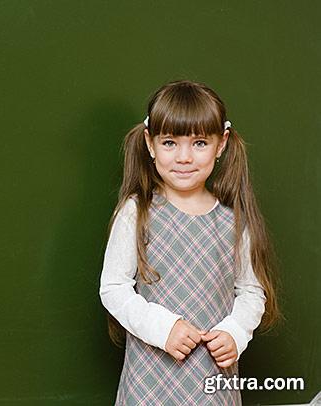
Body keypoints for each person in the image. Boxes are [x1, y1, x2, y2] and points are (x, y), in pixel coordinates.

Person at [98, 79, 281, 405]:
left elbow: (252, 291)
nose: (184, 157)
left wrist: (235, 332)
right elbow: (114, 287)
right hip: (149, 382)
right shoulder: (137, 212)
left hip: (213, 383)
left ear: (221, 143)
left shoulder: (234, 221)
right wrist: (163, 327)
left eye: (199, 143)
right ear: (150, 144)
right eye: (169, 142)